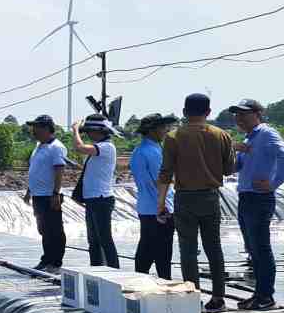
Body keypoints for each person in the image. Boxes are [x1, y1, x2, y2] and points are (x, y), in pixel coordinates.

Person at [156, 93, 235, 312]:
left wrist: (161, 203)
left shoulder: (173, 137)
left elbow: (165, 173)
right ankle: (218, 298)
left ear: (184, 112)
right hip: (210, 197)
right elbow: (229, 169)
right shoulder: (222, 135)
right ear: (208, 112)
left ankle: (193, 298)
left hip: (185, 198)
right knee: (214, 248)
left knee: (188, 250)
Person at [225, 99, 284, 310]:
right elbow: (235, 167)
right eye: (237, 115)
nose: (239, 118)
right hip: (246, 197)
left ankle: (266, 296)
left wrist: (273, 183)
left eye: (244, 114)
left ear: (257, 114)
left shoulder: (266, 133)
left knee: (261, 248)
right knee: (252, 248)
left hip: (260, 198)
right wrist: (232, 150)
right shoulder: (249, 138)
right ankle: (259, 294)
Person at [130, 114, 177, 278]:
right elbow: (162, 181)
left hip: (145, 206)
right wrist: (162, 206)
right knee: (163, 254)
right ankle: (165, 284)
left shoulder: (138, 150)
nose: (166, 130)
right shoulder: (154, 152)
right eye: (163, 127)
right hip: (160, 208)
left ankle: (139, 281)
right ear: (152, 130)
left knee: (146, 249)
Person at [70, 114, 121, 268]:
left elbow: (79, 148)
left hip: (101, 198)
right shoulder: (99, 148)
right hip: (93, 198)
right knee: (93, 240)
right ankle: (96, 269)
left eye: (90, 131)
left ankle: (114, 270)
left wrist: (75, 130)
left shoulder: (107, 147)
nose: (88, 135)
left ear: (99, 131)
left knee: (105, 239)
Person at [21, 115, 67, 271]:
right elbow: (36, 171)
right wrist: (29, 191)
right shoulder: (39, 146)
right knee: (43, 229)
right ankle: (46, 259)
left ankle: (55, 262)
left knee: (55, 230)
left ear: (47, 129)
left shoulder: (56, 147)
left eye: (37, 128)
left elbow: (59, 170)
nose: (33, 131)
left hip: (50, 195)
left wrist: (56, 193)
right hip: (38, 195)